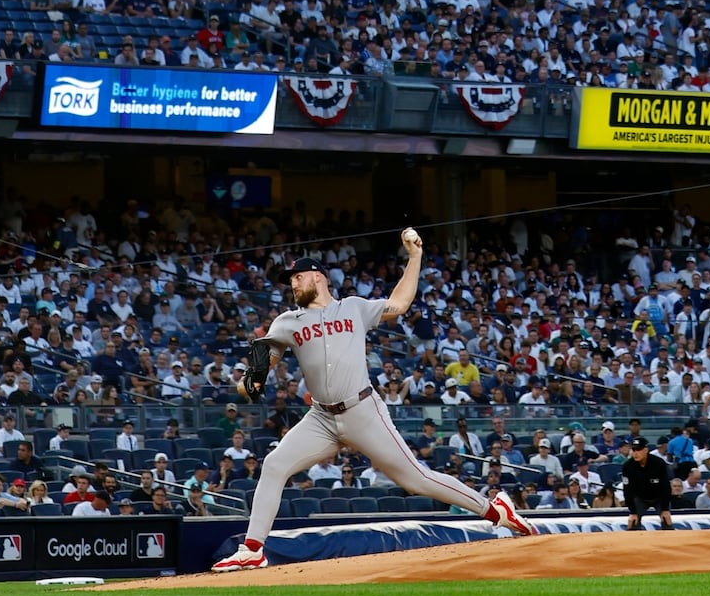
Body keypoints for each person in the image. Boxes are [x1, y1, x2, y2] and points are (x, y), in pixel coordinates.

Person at [212, 233, 533, 573]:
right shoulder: (287, 323)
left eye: (298, 276)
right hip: (320, 418)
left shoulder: (352, 307)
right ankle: (252, 549)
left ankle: (495, 510)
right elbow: (254, 378)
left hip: (363, 411)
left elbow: (399, 304)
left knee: (415, 479)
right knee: (275, 464)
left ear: (318, 276)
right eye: (290, 279)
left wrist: (415, 257)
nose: (292, 284)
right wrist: (247, 383)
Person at [621, 436, 674, 530]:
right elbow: (627, 490)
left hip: (658, 497)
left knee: (667, 521)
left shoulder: (659, 463)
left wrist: (665, 509)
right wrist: (632, 512)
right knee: (633, 522)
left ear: (646, 450)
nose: (635, 453)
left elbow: (665, 487)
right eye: (634, 450)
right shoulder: (628, 466)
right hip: (640, 498)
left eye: (638, 450)